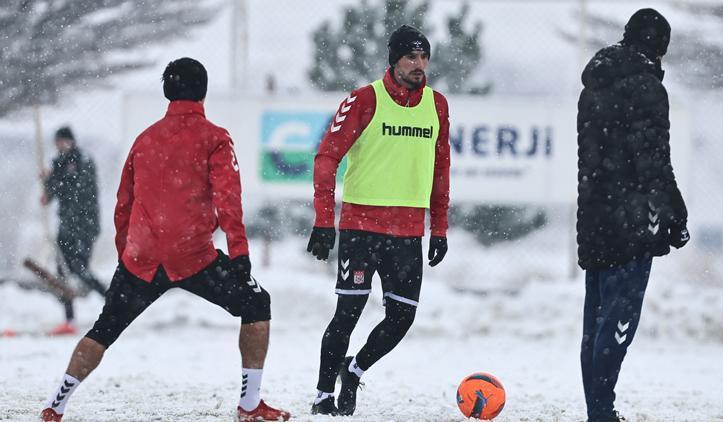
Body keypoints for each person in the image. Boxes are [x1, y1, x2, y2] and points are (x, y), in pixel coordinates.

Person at [40, 58, 290, 422]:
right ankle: (250, 405)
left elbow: (123, 203)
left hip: (140, 259)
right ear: (203, 91)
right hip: (194, 257)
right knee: (257, 303)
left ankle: (55, 405)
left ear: (166, 92)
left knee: (103, 330)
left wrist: (127, 253)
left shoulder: (144, 140)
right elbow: (229, 200)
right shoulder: (215, 138)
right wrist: (239, 253)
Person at [306, 25, 450, 416]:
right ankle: (322, 396)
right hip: (361, 228)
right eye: (411, 57)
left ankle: (353, 371)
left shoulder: (437, 105)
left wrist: (439, 228)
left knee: (403, 316)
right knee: (348, 313)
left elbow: (441, 170)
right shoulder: (364, 99)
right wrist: (323, 220)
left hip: (407, 233)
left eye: (424, 57)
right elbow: (326, 158)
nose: (419, 65)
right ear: (394, 60)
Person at [576, 9, 690, 422]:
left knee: (596, 321)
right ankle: (602, 412)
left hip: (594, 217)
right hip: (632, 220)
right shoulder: (646, 88)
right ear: (658, 46)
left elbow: (592, 158)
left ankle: (597, 409)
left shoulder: (594, 85)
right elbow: (654, 160)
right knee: (620, 320)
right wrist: (675, 214)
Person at [41, 126, 106, 335]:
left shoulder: (83, 161)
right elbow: (53, 193)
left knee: (80, 269)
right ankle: (69, 319)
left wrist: (53, 180)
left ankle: (114, 303)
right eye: (57, 142)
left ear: (70, 141)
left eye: (62, 141)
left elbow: (75, 189)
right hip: (66, 225)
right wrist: (46, 182)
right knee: (62, 270)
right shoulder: (58, 162)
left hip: (84, 225)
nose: (59, 146)